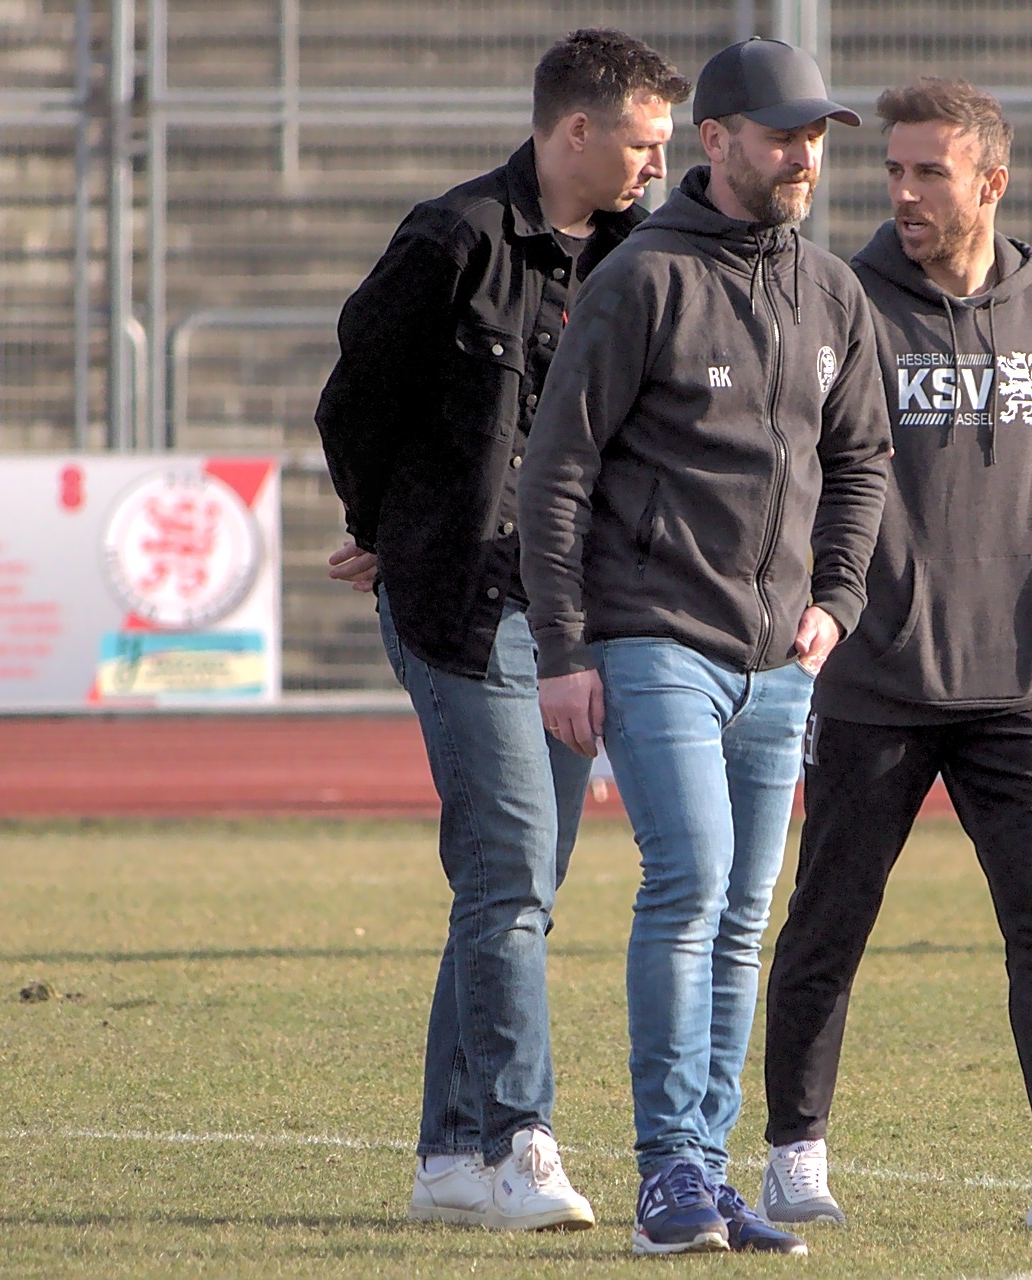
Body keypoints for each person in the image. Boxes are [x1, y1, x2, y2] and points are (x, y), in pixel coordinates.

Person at [758, 77, 1032, 1234]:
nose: (904, 192)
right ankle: (793, 1156)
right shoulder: (843, 302)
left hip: (1018, 683)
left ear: (992, 183)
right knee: (828, 921)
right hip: (873, 677)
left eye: (931, 172)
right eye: (894, 170)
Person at [312, 28, 690, 1232]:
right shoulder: (454, 238)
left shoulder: (641, 252)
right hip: (462, 605)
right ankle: (523, 1138)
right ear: (576, 130)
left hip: (572, 613)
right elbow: (354, 399)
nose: (658, 165)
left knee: (511, 880)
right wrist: (390, 523)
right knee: (515, 870)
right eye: (644, 143)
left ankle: (449, 1156)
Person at [517, 37, 890, 1256]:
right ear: (716, 141)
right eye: (782, 136)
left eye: (815, 137)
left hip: (781, 658)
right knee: (690, 884)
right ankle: (671, 1169)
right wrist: (564, 646)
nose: (803, 156)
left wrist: (837, 596)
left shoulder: (832, 290)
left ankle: (711, 1173)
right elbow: (557, 471)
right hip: (653, 636)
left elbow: (863, 461)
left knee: (739, 914)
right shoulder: (644, 278)